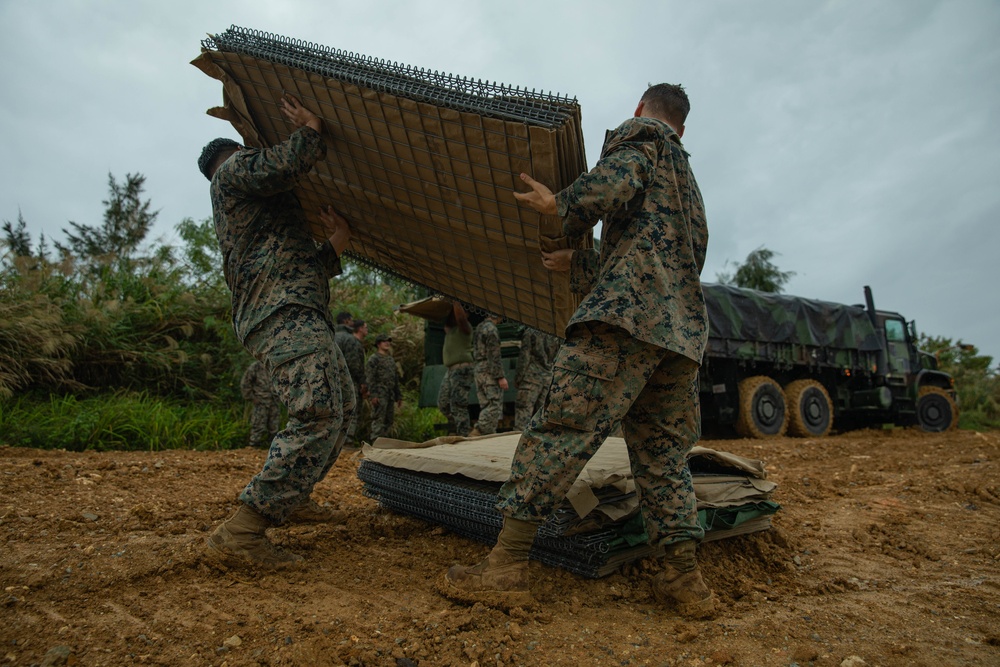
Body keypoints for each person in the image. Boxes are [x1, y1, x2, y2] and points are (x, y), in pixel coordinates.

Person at [443, 83, 714, 618]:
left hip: (623, 324)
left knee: (561, 428)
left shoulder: (644, 138)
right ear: (685, 126)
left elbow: (620, 181)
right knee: (663, 457)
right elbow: (659, 257)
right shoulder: (689, 189)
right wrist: (583, 266)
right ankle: (685, 581)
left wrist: (561, 203)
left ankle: (506, 566)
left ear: (642, 109)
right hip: (678, 337)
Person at [197, 93, 355, 568]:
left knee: (341, 410)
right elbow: (281, 165)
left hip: (295, 308)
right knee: (319, 414)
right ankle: (243, 532)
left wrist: (336, 245)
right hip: (280, 315)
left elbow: (296, 264)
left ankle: (291, 496)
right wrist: (309, 130)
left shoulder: (260, 214)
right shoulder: (232, 173)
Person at [436, 302, 474, 437]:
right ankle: (458, 427)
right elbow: (447, 321)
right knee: (443, 403)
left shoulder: (465, 328)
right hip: (450, 371)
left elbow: (461, 319)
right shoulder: (450, 330)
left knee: (458, 404)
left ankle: (463, 435)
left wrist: (455, 301)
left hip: (462, 370)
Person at [513, 328, 561, 431]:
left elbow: (524, 357)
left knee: (523, 411)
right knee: (543, 413)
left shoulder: (530, 332)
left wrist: (518, 378)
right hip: (548, 377)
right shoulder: (554, 334)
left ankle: (517, 439)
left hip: (531, 377)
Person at [470, 314, 508, 436]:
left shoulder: (479, 327)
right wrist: (500, 376)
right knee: (494, 405)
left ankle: (488, 434)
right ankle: (479, 430)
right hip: (489, 370)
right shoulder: (491, 330)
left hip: (478, 368)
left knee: (485, 404)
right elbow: (494, 354)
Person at [334, 312, 368, 446]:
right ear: (348, 321)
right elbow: (354, 365)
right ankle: (347, 441)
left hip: (329, 380)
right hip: (347, 380)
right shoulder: (350, 339)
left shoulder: (330, 335)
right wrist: (362, 382)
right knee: (350, 409)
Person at [365, 333, 403, 441]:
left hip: (390, 394)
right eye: (384, 341)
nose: (387, 343)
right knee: (378, 419)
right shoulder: (374, 359)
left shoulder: (390, 359)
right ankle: (375, 441)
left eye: (388, 341)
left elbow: (395, 378)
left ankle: (383, 442)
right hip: (379, 393)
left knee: (388, 420)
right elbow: (370, 378)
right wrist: (373, 395)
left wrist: (398, 396)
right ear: (378, 344)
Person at [240, 360, 281, 448]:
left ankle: (273, 447)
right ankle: (254, 445)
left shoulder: (275, 365)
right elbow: (245, 383)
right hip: (261, 400)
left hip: (274, 400)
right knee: (258, 424)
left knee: (274, 426)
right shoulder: (256, 367)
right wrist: (251, 397)